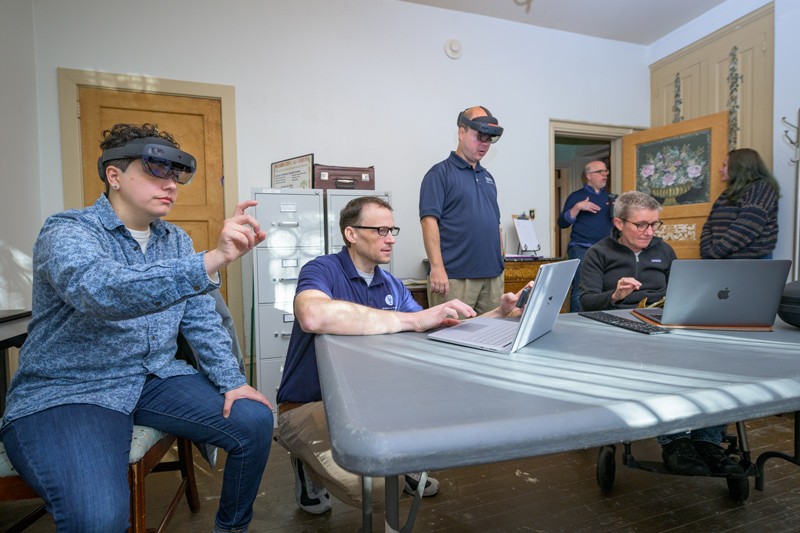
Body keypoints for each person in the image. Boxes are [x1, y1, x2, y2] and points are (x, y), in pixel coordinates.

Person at [0, 123, 274, 533]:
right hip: (72, 387)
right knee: (97, 519)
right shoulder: (68, 231)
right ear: (114, 175)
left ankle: (231, 528)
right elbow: (103, 291)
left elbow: (201, 320)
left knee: (254, 421)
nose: (171, 184)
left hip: (154, 376)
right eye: (155, 171)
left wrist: (232, 380)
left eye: (176, 174)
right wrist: (210, 261)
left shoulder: (176, 240)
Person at [275, 196, 525, 515]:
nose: (390, 238)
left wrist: (498, 315)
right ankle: (305, 458)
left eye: (392, 229)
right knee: (377, 493)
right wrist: (410, 319)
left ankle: (393, 464)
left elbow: (436, 329)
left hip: (372, 403)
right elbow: (312, 316)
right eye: (380, 230)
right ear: (351, 234)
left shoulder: (391, 283)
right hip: (308, 404)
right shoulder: (322, 269)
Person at [579, 191, 742, 476]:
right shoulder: (598, 253)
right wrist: (615, 295)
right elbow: (587, 302)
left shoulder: (664, 251)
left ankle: (707, 442)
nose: (649, 232)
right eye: (641, 225)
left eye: (654, 224)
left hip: (665, 322)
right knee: (666, 368)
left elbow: (680, 291)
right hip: (620, 328)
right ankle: (676, 442)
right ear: (619, 223)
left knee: (718, 363)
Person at [419, 105, 505, 315]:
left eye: (489, 139)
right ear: (461, 132)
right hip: (456, 277)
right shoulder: (440, 174)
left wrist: (501, 262)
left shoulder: (488, 177)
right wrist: (437, 268)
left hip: (492, 277)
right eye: (479, 136)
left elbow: (495, 223)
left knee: (493, 338)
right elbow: (429, 221)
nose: (484, 144)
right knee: (453, 340)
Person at [700, 148, 780, 259]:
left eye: (725, 166)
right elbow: (709, 225)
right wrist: (707, 253)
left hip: (751, 264)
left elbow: (748, 226)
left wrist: (714, 253)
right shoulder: (726, 194)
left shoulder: (761, 188)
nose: (721, 170)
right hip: (720, 261)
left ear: (739, 167)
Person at [556, 160, 615, 312]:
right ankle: (577, 324)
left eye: (605, 172)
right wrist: (577, 208)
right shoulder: (576, 197)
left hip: (606, 249)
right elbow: (562, 223)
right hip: (581, 248)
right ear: (589, 176)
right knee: (581, 288)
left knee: (605, 287)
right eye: (600, 172)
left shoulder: (611, 198)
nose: (605, 175)